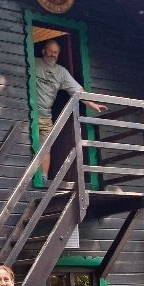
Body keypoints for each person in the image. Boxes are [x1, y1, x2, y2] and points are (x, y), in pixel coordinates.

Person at [35, 39, 107, 184]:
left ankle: (43, 179)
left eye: (56, 52)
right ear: (43, 51)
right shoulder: (34, 63)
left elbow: (77, 91)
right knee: (30, 144)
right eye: (50, 51)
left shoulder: (61, 72)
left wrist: (93, 104)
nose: (53, 55)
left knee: (46, 147)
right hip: (30, 114)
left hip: (45, 116)